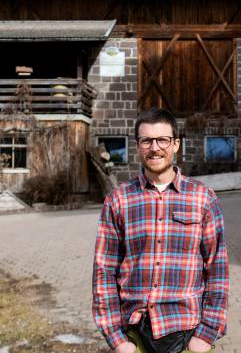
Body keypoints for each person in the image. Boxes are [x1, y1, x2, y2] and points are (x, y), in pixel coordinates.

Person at [93, 108, 229, 353]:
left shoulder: (203, 198)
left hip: (187, 333)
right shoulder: (118, 200)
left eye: (163, 140)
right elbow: (104, 271)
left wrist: (207, 334)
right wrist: (116, 339)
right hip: (133, 334)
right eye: (146, 140)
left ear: (176, 144)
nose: (154, 147)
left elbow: (217, 269)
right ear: (137, 145)